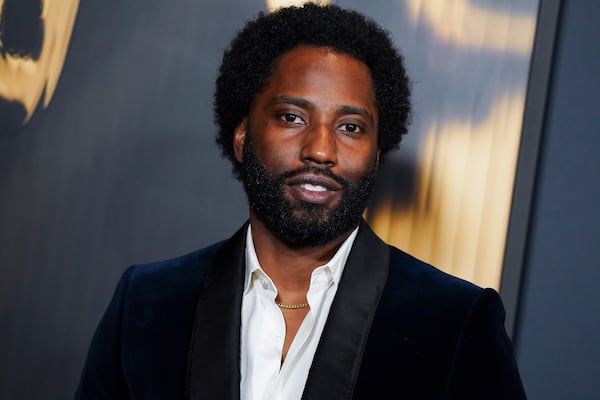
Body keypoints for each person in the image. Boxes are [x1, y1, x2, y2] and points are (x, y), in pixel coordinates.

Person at [76, 3, 526, 399]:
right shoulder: (148, 303)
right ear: (242, 135)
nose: (321, 150)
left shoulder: (455, 323)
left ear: (377, 151)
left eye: (350, 127)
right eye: (292, 117)